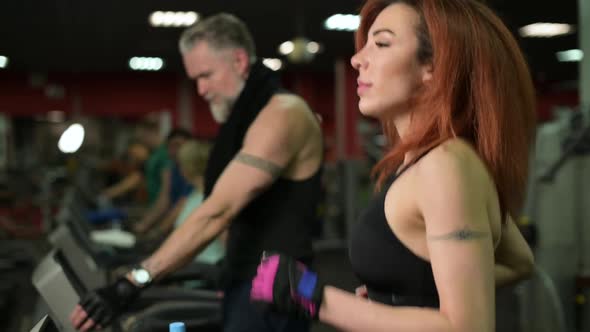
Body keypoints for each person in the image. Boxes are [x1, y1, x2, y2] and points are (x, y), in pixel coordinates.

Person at [250, 1, 536, 331]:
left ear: (434, 66)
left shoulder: (446, 166)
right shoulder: (423, 163)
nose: (358, 58)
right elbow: (520, 263)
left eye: (382, 43)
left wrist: (316, 298)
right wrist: (396, 300)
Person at [70, 12, 323, 332]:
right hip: (246, 278)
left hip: (278, 289)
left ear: (239, 60)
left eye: (206, 75)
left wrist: (133, 282)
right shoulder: (245, 117)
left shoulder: (283, 114)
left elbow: (218, 212)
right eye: (195, 80)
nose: (201, 90)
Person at [132, 128, 193, 235]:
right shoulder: (171, 169)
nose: (174, 150)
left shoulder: (193, 172)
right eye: (171, 146)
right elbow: (163, 200)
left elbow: (181, 205)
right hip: (176, 226)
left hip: (188, 228)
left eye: (179, 145)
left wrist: (158, 231)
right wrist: (143, 225)